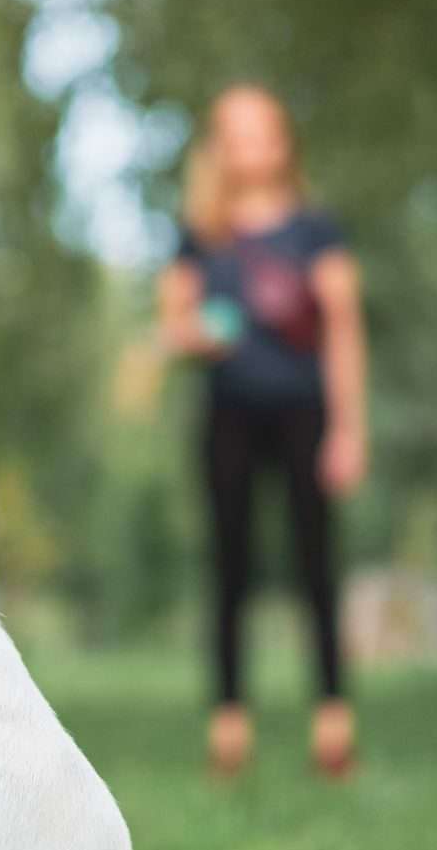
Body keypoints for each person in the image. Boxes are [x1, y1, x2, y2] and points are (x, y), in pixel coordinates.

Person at [157, 83, 370, 779]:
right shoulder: (200, 236)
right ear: (220, 149)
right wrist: (197, 337)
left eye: (266, 132)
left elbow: (343, 331)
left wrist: (349, 430)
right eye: (240, 135)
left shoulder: (316, 232)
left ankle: (334, 724)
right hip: (230, 417)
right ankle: (228, 728)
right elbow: (174, 323)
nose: (255, 147)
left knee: (317, 569)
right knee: (231, 570)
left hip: (305, 413)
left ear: (284, 145)